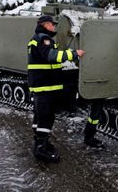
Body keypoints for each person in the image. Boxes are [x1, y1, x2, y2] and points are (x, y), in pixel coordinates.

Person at [28, 15, 88, 163]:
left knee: (40, 116)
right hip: (44, 86)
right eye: (52, 25)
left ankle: (40, 141)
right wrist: (74, 54)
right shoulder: (43, 38)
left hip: (42, 85)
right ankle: (41, 149)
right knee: (46, 117)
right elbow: (51, 56)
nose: (54, 27)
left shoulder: (38, 38)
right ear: (46, 24)